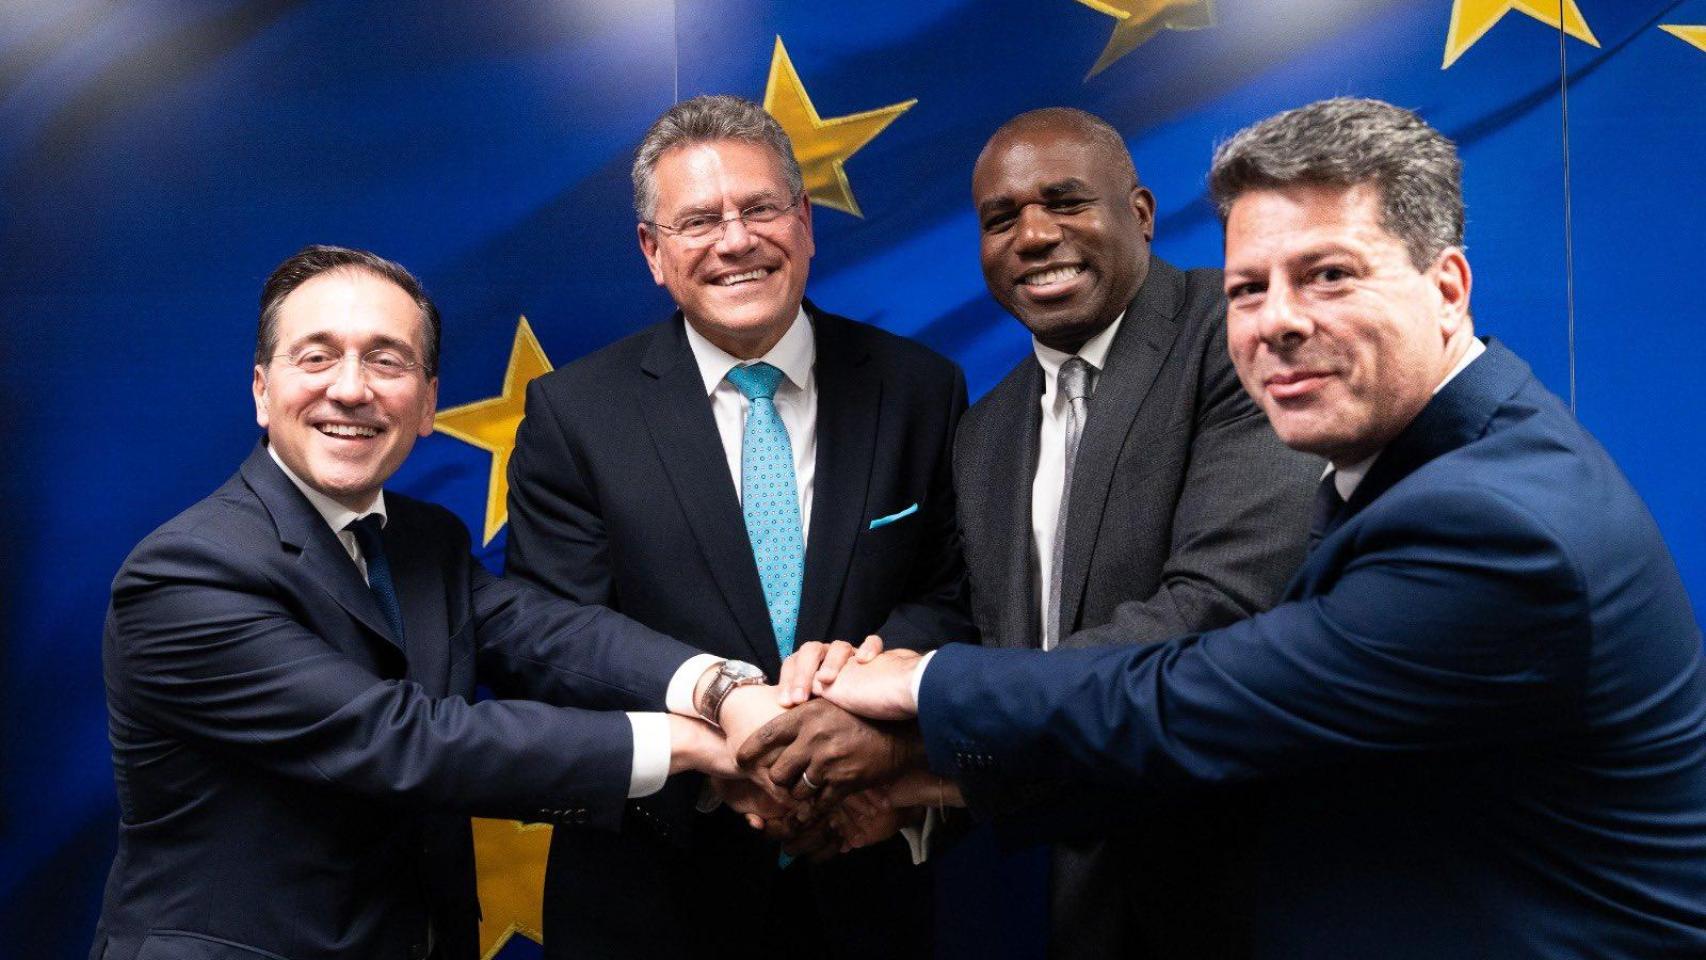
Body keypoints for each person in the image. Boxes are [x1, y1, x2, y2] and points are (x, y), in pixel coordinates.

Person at [758, 98, 1706, 958]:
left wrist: (916, 694)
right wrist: (916, 779)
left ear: (1449, 288)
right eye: (1248, 288)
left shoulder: (1488, 523)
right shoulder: (1407, 461)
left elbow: (1202, 694)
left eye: (1328, 275)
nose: (1277, 322)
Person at [89, 245, 763, 960]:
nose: (351, 389)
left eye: (387, 361)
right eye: (317, 358)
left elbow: (545, 636)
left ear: (427, 404)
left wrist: (723, 689)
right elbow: (400, 742)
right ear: (262, 391)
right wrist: (692, 744)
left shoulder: (423, 540)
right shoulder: (187, 573)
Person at [504, 95, 973, 959]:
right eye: (698, 221)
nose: (736, 240)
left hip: (866, 875)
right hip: (653, 892)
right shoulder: (575, 415)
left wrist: (854, 708)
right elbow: (552, 636)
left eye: (760, 208)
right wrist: (725, 739)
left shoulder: (920, 390)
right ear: (653, 251)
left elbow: (956, 595)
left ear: (805, 222)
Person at [944, 106, 1319, 958]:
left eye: (1065, 202)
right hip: (1085, 887)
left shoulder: (1235, 337)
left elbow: (1221, 608)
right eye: (1001, 219)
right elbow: (1001, 643)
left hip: (1250, 880)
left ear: (1140, 214)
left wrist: (926, 712)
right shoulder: (985, 432)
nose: (1033, 236)